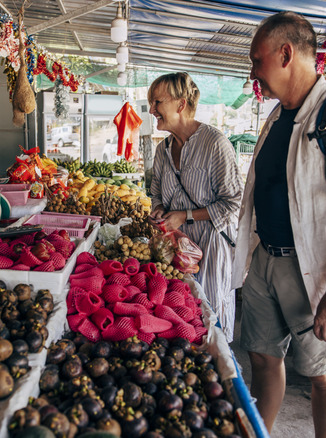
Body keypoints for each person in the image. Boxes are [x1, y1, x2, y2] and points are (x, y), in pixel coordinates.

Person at [230, 12, 326, 437]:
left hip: (310, 267)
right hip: (266, 260)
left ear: (285, 53)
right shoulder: (278, 117)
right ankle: (262, 431)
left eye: (257, 60)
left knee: (323, 372)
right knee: (261, 358)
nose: (253, 71)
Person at [148, 72, 243, 342]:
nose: (152, 110)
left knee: (208, 318)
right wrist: (158, 210)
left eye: (157, 102)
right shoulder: (162, 150)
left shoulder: (215, 144)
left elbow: (233, 202)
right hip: (174, 248)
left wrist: (186, 216)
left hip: (210, 248)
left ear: (180, 104)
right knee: (180, 316)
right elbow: (156, 192)